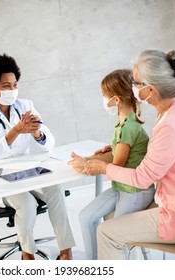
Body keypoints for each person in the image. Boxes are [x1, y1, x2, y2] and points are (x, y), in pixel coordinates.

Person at [69, 49, 175, 259]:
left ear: (151, 89)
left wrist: (103, 167)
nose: (132, 87)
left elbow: (141, 178)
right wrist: (116, 148)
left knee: (106, 232)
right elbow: (161, 155)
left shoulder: (170, 125)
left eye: (136, 82)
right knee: (111, 217)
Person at [0, 53, 75, 260]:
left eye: (15, 84)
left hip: (26, 173)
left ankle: (66, 250)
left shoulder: (25, 106)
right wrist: (15, 131)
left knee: (55, 188)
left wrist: (37, 132)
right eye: (6, 85)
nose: (12, 90)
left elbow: (50, 144)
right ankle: (27, 253)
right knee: (26, 204)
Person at [71, 69, 155, 260]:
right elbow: (122, 152)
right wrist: (110, 149)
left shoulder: (128, 127)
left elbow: (117, 165)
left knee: (114, 234)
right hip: (121, 188)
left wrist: (90, 162)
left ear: (116, 100)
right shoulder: (124, 124)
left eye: (104, 96)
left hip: (135, 191)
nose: (104, 100)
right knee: (86, 217)